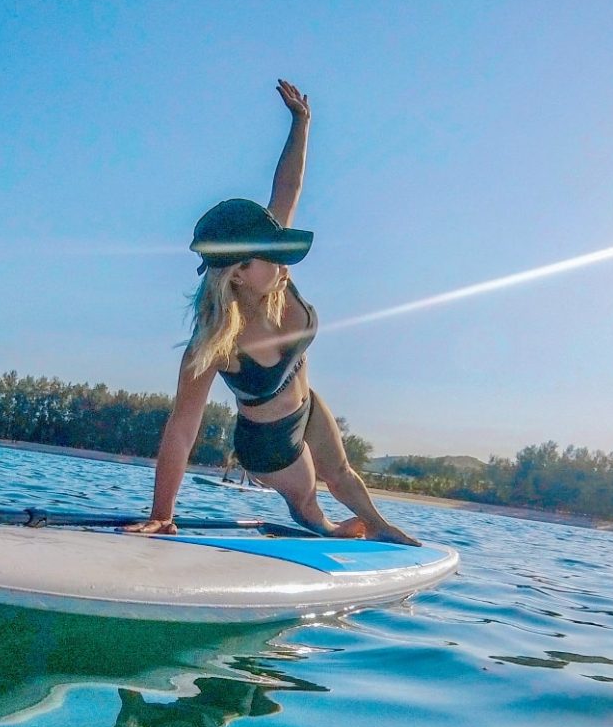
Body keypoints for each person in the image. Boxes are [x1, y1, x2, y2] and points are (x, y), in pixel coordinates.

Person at [126, 80, 418, 544]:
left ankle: (385, 531)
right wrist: (162, 512)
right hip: (269, 443)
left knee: (342, 473)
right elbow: (182, 429)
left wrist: (301, 124)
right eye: (272, 255)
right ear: (237, 273)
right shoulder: (215, 343)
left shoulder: (276, 280)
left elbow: (287, 185)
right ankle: (326, 531)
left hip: (306, 401)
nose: (284, 262)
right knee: (308, 501)